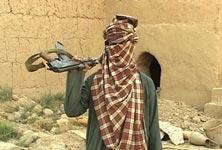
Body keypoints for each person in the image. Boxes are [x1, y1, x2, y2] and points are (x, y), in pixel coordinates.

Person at [64, 15, 162, 150]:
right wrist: (76, 73)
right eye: (112, 44)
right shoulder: (94, 82)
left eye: (121, 44)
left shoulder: (145, 84)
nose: (117, 50)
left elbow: (153, 129)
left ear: (131, 45)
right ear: (107, 46)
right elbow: (72, 110)